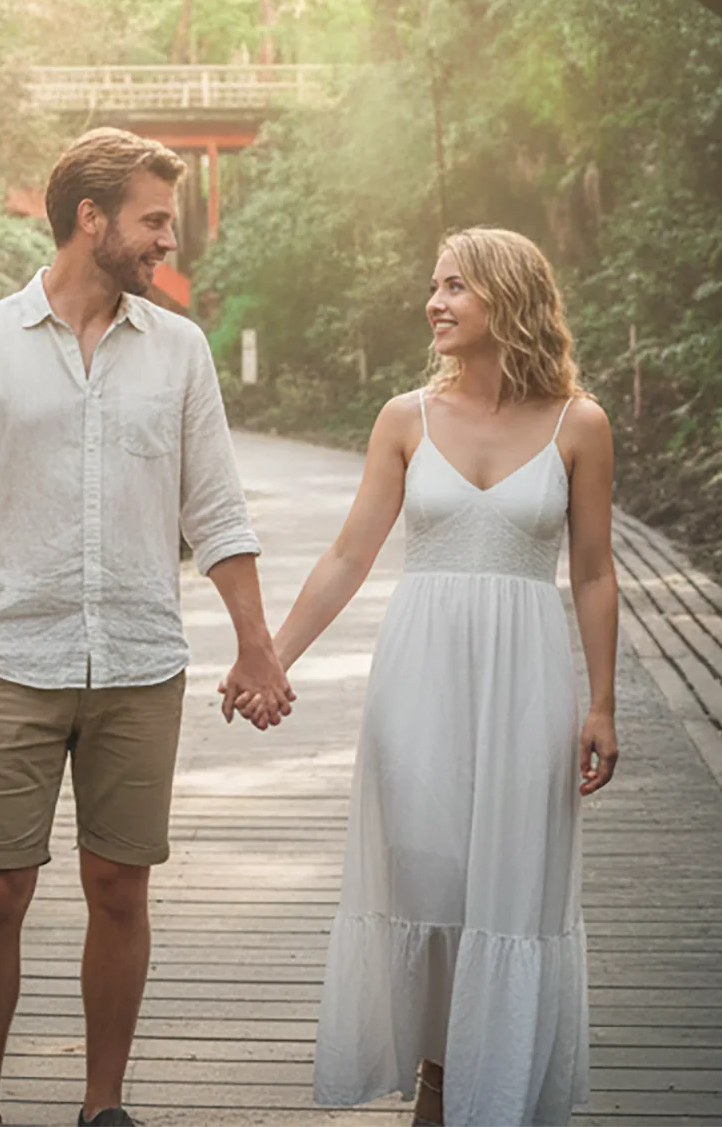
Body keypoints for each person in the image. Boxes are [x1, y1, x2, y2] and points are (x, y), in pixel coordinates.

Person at [0, 126, 292, 1127]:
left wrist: (256, 644)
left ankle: (102, 1104)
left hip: (137, 660)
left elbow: (217, 508)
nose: (169, 239)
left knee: (120, 885)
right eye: (155, 219)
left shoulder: (179, 352)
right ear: (93, 218)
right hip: (10, 660)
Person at [223, 226, 620, 1127]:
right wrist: (270, 657)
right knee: (427, 878)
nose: (433, 303)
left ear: (507, 300)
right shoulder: (405, 418)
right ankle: (437, 1093)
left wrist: (601, 702)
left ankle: (500, 1097)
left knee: (513, 886)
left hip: (527, 683)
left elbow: (594, 572)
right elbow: (347, 555)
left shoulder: (580, 424)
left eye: (454, 287)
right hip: (419, 681)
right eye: (433, 286)